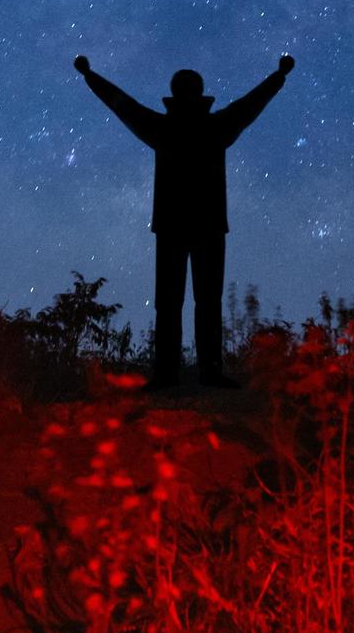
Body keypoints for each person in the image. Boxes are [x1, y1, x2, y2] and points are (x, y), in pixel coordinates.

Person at [73, 51, 293, 388]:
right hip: (207, 224)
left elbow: (123, 105)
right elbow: (251, 105)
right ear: (198, 93)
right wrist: (278, 77)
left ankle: (167, 374)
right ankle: (208, 372)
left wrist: (91, 76)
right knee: (206, 301)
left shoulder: (164, 129)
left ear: (174, 94)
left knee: (169, 302)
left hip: (173, 225)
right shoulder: (215, 127)